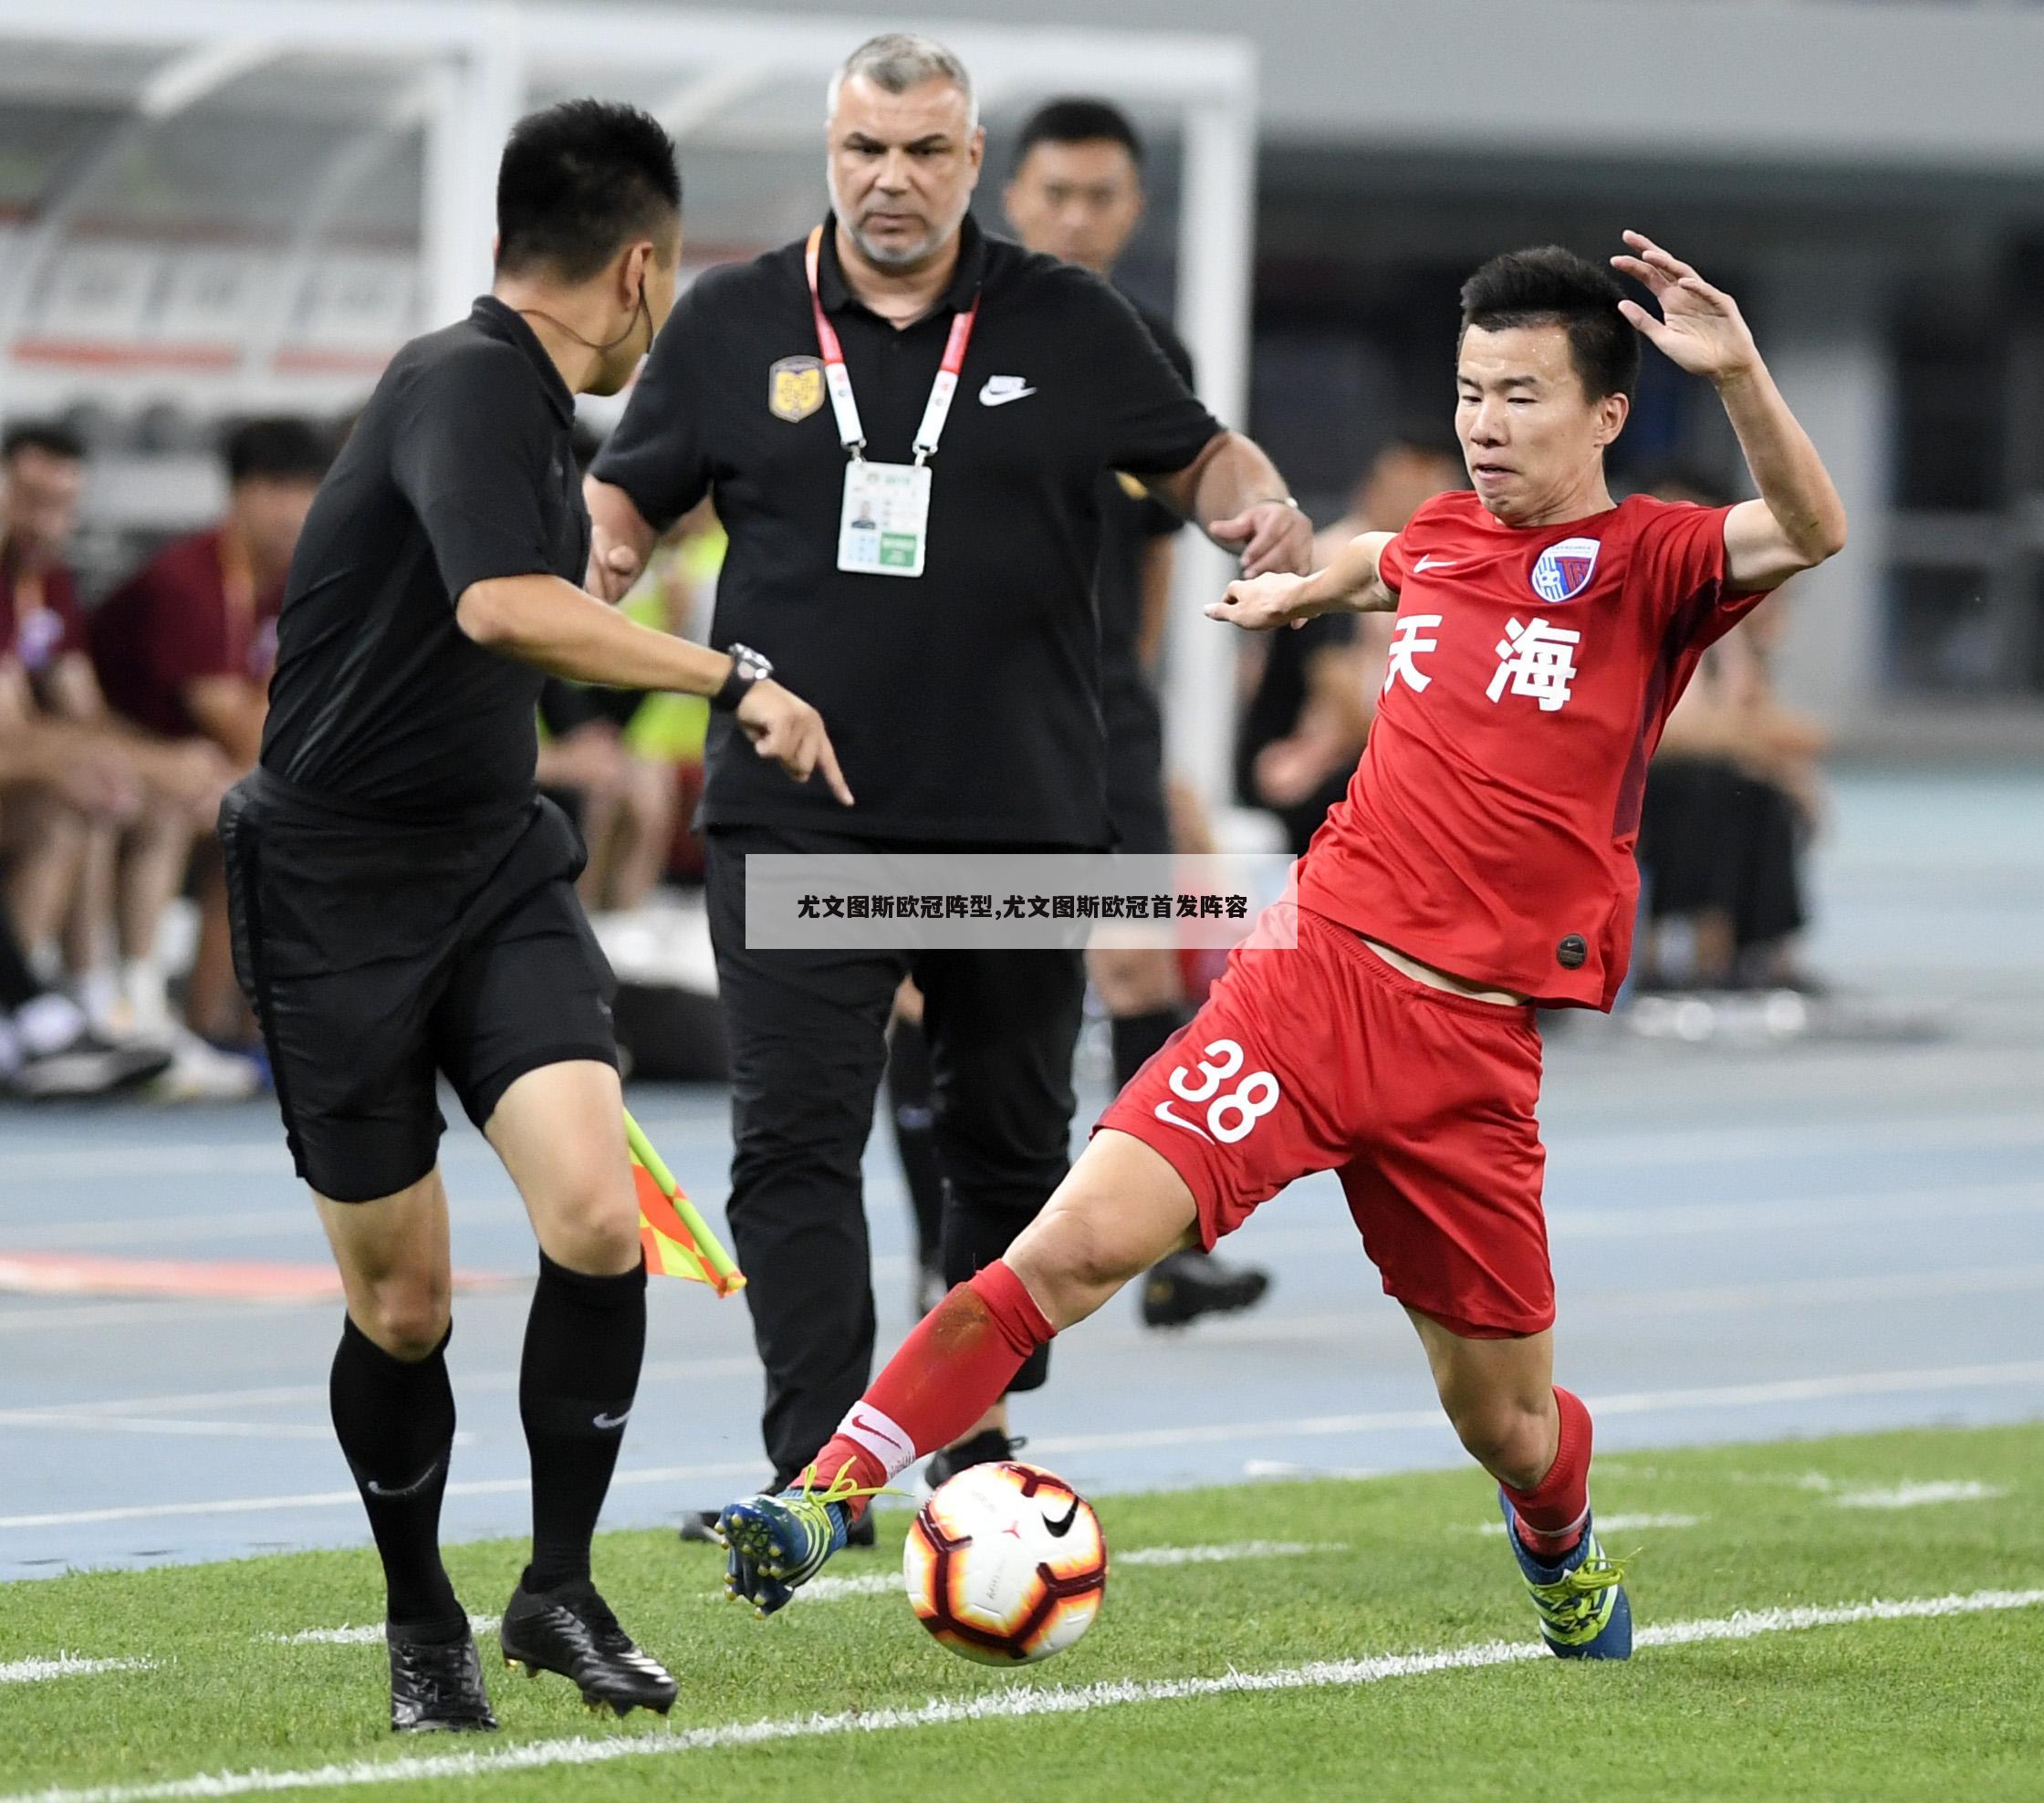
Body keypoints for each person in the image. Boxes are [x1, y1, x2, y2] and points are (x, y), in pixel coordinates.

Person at [716, 234, 1846, 1659]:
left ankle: (1559, 1541)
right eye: (1469, 391)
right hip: (1308, 987)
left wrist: (1740, 372)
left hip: (1471, 1053)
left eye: (1521, 397)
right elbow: (1392, 556)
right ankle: (823, 1498)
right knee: (1068, 1249)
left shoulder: (1649, 564)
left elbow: (1808, 529)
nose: (1485, 425)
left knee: (1503, 1421)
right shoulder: (1441, 535)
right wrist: (1310, 586)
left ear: (1607, 415)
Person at [588, 33, 1309, 1534]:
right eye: (865, 150)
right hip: (795, 817)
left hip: (1017, 816)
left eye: (925, 152)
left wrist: (1263, 510)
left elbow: (1200, 459)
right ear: (830, 154)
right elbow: (630, 491)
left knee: (1011, 1144)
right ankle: (821, 1469)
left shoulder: (1067, 315)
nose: (892, 180)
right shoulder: (731, 320)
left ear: (973, 163)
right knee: (791, 1137)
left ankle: (966, 1429)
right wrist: (596, 554)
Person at [219, 99, 844, 1734]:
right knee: (405, 1304)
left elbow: (511, 606)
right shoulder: (465, 376)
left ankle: (554, 1585)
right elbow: (503, 603)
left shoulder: (521, 414)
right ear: (641, 267)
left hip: (494, 866)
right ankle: (420, 1613)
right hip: (333, 891)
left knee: (594, 1215)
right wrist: (737, 679)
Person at [0, 422, 228, 1092]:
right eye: (31, 500)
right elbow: (12, 737)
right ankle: (31, 1018)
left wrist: (156, 764)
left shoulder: (45, 582)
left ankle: (115, 1004)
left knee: (121, 793)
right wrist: (146, 764)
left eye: (63, 505)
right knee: (65, 806)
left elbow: (82, 713)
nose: (48, 522)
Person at [92, 417, 331, 1050]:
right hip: (126, 757)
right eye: (281, 490)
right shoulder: (186, 579)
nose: (296, 511)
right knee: (245, 810)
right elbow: (241, 725)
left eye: (311, 490)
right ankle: (150, 1012)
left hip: (204, 764)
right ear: (241, 493)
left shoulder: (290, 584)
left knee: (262, 816)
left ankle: (228, 1029)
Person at [1237, 434, 1463, 854]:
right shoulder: (1337, 563)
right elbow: (1336, 689)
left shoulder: (1432, 571)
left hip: (1364, 751)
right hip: (1300, 762)